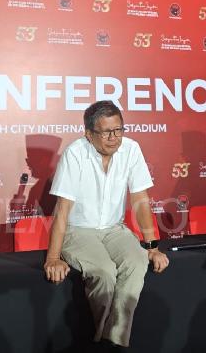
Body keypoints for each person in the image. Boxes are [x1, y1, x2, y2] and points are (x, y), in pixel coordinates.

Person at [44, 100, 169, 351]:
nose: (114, 138)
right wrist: (53, 258)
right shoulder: (75, 153)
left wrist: (152, 247)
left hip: (115, 229)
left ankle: (112, 339)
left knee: (137, 261)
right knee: (103, 271)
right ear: (89, 134)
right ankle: (110, 341)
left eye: (118, 130)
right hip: (78, 230)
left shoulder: (131, 149)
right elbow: (63, 210)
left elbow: (140, 201)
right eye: (106, 132)